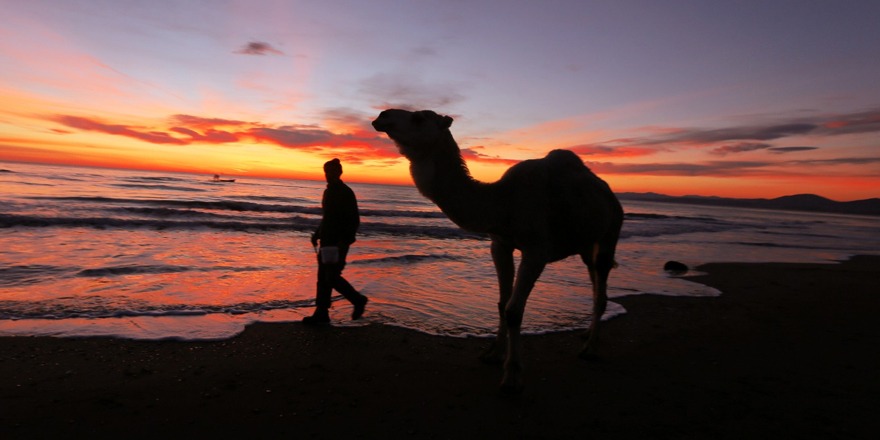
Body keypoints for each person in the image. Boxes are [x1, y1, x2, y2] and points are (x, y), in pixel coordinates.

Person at [303, 158, 368, 324]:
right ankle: (321, 313)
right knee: (323, 277)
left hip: (338, 243)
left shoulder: (345, 192)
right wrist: (317, 233)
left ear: (339, 173)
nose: (328, 175)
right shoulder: (329, 191)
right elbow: (328, 217)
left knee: (331, 277)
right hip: (326, 240)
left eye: (331, 172)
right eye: (326, 171)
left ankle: (357, 300)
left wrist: (345, 241)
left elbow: (353, 220)